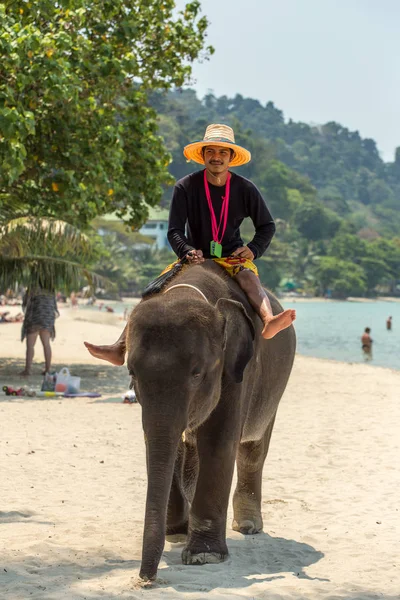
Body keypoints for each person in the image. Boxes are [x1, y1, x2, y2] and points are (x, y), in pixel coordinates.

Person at [84, 124, 296, 365]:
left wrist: (253, 249)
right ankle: (120, 346)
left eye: (223, 152)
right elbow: (174, 230)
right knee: (155, 289)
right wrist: (186, 251)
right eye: (211, 152)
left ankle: (268, 320)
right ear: (203, 155)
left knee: (250, 279)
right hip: (194, 256)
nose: (216, 157)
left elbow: (267, 226)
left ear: (231, 157)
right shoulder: (185, 186)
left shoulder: (245, 189)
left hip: (231, 256)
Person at [19, 286, 59, 376]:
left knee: (30, 346)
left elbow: (26, 304)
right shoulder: (50, 290)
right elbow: (54, 306)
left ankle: (28, 370)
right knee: (46, 344)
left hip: (34, 318)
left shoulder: (32, 289)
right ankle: (47, 369)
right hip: (47, 319)